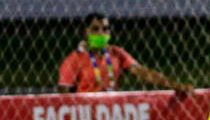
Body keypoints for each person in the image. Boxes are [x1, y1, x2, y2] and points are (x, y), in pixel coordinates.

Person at [58, 13, 193, 95]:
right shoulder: (74, 59)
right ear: (85, 32)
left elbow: (143, 73)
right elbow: (64, 94)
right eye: (95, 29)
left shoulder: (116, 53)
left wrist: (174, 86)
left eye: (105, 29)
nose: (101, 33)